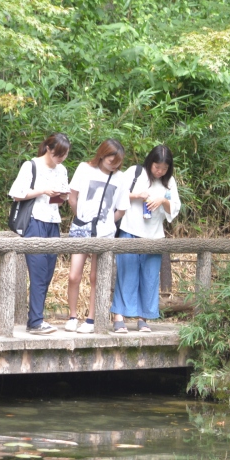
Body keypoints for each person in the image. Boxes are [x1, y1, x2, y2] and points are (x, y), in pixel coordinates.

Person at [113, 144, 181, 333]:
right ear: (150, 162)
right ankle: (119, 316)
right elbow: (117, 195)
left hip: (154, 236)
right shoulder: (135, 173)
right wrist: (137, 196)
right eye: (157, 167)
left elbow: (174, 208)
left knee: (150, 278)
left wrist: (163, 201)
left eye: (164, 169)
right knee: (127, 274)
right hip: (129, 230)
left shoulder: (169, 182)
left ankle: (143, 318)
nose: (160, 171)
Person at [8, 134, 71, 335]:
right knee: (37, 271)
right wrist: (42, 190)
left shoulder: (62, 170)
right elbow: (16, 193)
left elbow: (61, 199)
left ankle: (36, 319)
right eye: (58, 154)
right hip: (34, 221)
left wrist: (62, 196)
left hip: (53, 222)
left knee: (48, 272)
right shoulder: (31, 166)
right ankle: (35, 321)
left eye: (64, 155)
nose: (60, 159)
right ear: (48, 149)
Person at [64, 139, 128, 333]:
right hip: (81, 227)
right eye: (111, 159)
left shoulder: (121, 178)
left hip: (105, 233)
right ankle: (72, 316)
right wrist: (81, 216)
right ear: (102, 154)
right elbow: (72, 197)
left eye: (117, 161)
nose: (114, 164)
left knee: (95, 277)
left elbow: (121, 210)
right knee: (74, 275)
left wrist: (107, 223)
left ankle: (91, 319)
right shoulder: (85, 169)